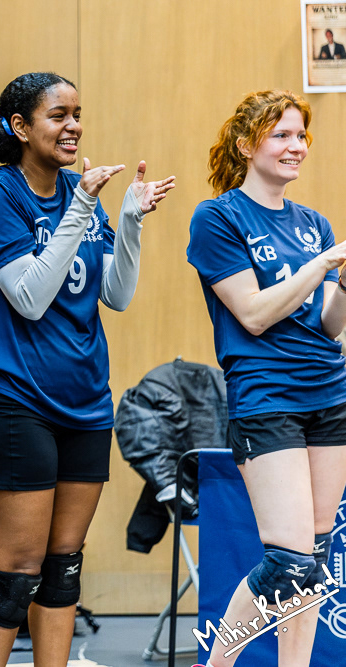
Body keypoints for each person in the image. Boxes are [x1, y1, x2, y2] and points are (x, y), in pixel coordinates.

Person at [0, 72, 174, 666]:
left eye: (78, 113)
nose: (73, 125)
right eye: (58, 115)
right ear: (20, 128)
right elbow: (29, 297)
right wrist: (80, 209)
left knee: (64, 562)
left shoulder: (81, 192)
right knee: (15, 570)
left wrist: (128, 221)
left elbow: (116, 295)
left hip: (85, 402)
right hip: (13, 401)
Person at [188, 90, 346, 667]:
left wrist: (344, 282)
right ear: (246, 143)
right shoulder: (218, 217)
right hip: (267, 398)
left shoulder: (314, 223)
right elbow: (253, 313)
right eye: (281, 135)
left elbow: (329, 326)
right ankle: (219, 662)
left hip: (329, 396)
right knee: (290, 563)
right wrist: (322, 264)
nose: (295, 146)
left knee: (317, 557)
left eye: (301, 135)